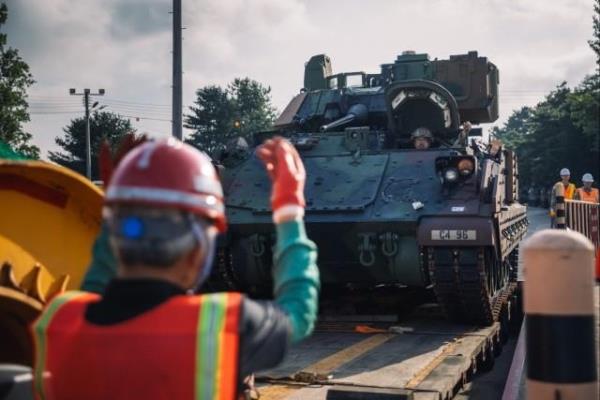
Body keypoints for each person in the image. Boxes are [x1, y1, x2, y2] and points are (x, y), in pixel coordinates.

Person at [31, 137, 320, 400]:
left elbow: (95, 285)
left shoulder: (58, 319)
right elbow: (298, 311)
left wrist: (122, 201)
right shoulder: (222, 324)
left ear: (116, 233)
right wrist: (289, 208)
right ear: (201, 243)